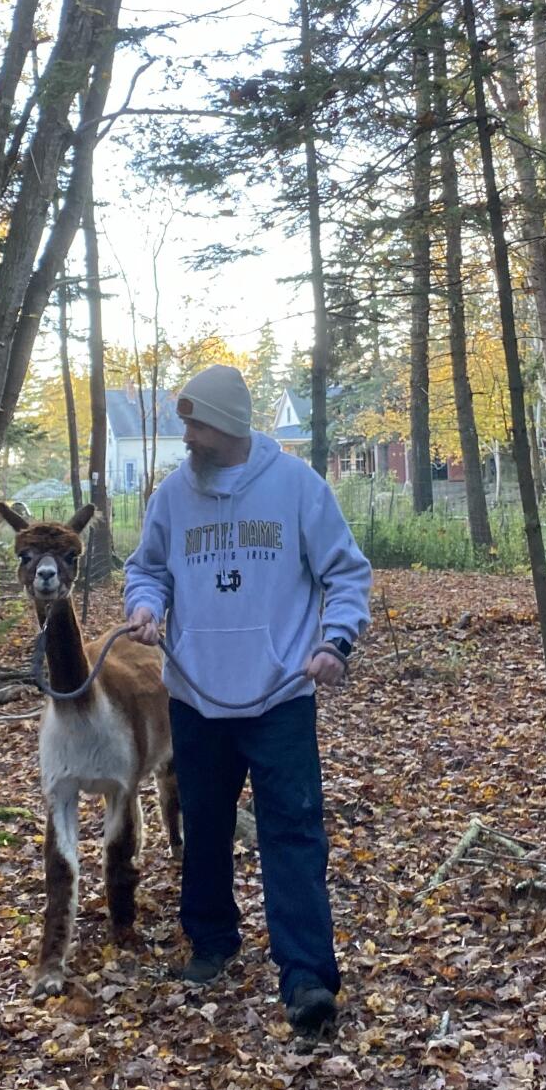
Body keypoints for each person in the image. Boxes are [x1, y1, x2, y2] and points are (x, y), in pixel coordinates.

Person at [123, 363, 371, 1034]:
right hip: (197, 697)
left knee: (293, 832)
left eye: (197, 425)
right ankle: (211, 942)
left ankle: (307, 979)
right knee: (202, 826)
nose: (189, 439)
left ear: (229, 426)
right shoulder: (174, 495)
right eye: (186, 426)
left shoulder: (296, 488)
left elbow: (346, 572)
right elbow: (146, 569)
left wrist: (336, 643)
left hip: (281, 694)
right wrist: (146, 607)